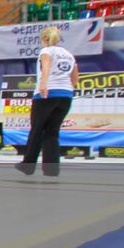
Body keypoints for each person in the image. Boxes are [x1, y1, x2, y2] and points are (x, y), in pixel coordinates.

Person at [18, 27, 78, 177]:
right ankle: (51, 169)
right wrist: (69, 89)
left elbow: (46, 68)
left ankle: (28, 165)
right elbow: (75, 77)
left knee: (37, 129)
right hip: (65, 95)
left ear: (43, 39)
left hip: (47, 93)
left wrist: (43, 85)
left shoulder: (46, 51)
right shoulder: (69, 55)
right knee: (52, 132)